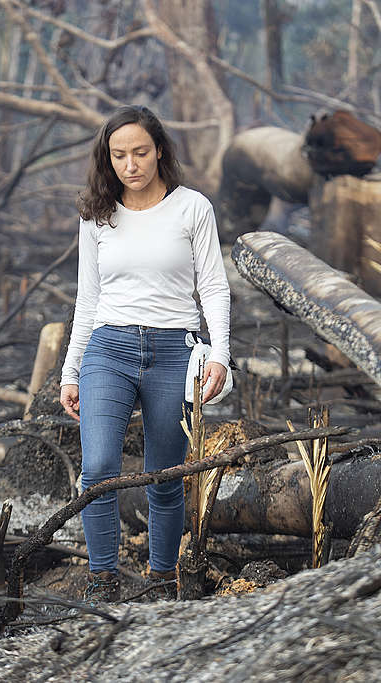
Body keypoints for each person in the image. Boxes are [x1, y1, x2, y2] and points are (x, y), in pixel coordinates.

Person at [59, 105, 231, 603]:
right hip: (107, 349)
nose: (130, 165)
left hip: (174, 351)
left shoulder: (192, 208)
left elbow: (214, 287)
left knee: (163, 474)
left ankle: (161, 580)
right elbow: (86, 300)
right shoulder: (97, 215)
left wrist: (219, 353)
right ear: (106, 159)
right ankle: (103, 579)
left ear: (159, 151)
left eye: (139, 152)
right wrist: (71, 371)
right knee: (99, 468)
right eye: (118, 156)